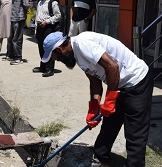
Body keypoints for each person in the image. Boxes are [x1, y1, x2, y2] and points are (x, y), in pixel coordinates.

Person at [43, 31, 153, 167]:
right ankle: (101, 158)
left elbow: (112, 67)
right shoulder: (77, 55)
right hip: (118, 83)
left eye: (56, 57)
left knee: (135, 132)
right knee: (110, 122)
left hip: (137, 82)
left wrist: (110, 99)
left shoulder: (83, 44)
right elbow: (95, 81)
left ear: (59, 50)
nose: (58, 61)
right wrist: (94, 107)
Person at [32, 0, 61, 77]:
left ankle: (50, 69)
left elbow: (58, 16)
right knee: (41, 48)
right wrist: (36, 30)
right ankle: (43, 67)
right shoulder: (40, 2)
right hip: (40, 27)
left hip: (48, 27)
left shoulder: (53, 3)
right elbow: (37, 16)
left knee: (48, 48)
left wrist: (47, 21)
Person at [9, 0, 30, 64]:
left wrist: (24, 14)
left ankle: (18, 58)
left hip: (19, 18)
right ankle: (14, 55)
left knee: (17, 39)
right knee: (13, 38)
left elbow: (26, 3)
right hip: (13, 17)